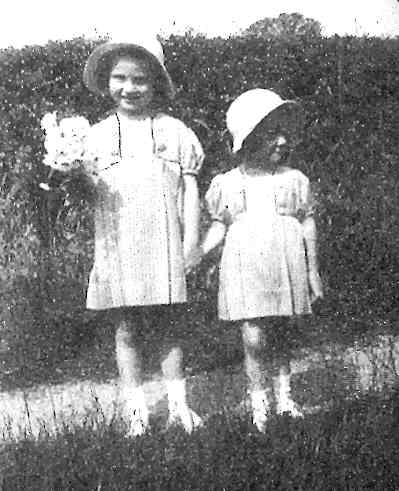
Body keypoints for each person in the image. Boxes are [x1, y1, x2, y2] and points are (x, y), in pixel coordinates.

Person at [56, 36, 204, 436]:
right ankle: (136, 411)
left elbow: (189, 191)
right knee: (126, 328)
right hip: (119, 244)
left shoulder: (175, 132)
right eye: (120, 77)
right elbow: (90, 195)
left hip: (163, 243)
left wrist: (191, 243)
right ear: (106, 82)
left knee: (168, 325)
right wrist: (73, 174)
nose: (129, 87)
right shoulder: (97, 135)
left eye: (139, 79)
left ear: (156, 83)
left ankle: (179, 406)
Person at [186, 89, 323, 432]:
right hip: (246, 267)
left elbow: (307, 221)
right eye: (271, 134)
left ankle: (285, 397)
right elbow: (220, 224)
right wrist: (200, 253)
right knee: (254, 337)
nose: (281, 141)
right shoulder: (228, 184)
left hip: (285, 263)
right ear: (248, 139)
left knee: (281, 331)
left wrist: (313, 271)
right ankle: (259, 404)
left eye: (284, 133)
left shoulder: (293, 180)